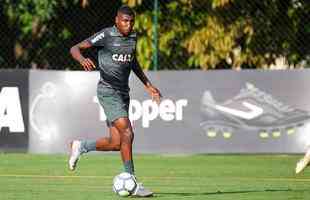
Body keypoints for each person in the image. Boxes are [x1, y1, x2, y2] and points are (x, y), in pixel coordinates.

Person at [69, 5, 161, 197]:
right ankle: (132, 181)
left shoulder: (133, 37)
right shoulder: (107, 35)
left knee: (116, 142)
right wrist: (82, 59)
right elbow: (75, 48)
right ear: (117, 21)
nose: (128, 25)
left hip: (123, 93)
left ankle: (81, 146)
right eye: (125, 21)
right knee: (128, 132)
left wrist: (148, 85)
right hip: (107, 91)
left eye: (131, 21)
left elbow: (132, 62)